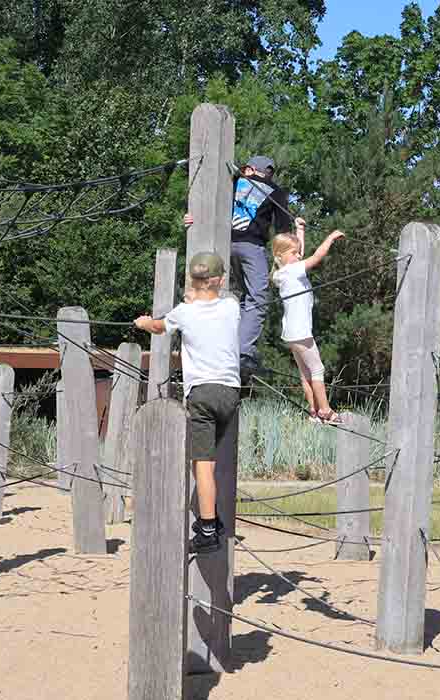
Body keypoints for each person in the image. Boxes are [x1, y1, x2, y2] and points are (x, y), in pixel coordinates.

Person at [134, 252, 240, 553]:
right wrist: (197, 294)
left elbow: (158, 327)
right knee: (212, 459)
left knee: (202, 463)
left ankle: (208, 529)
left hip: (202, 394)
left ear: (192, 281)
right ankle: (215, 517)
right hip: (230, 393)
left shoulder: (183, 312)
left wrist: (143, 323)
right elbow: (216, 297)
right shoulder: (231, 307)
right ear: (219, 280)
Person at [181, 155, 293, 379]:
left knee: (240, 298)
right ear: (268, 173)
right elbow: (282, 229)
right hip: (252, 247)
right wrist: (291, 246)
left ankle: (230, 344)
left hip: (224, 244)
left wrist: (191, 218)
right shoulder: (276, 191)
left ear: (250, 169)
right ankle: (242, 351)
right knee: (258, 299)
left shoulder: (231, 181)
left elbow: (207, 201)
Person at [269, 222, 345, 423]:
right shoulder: (293, 271)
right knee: (317, 370)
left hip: (291, 333)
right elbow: (317, 257)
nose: (298, 255)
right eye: (293, 253)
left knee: (305, 373)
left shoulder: (280, 274)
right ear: (280, 256)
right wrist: (330, 237)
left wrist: (299, 230)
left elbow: (299, 253)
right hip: (301, 332)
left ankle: (313, 410)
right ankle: (326, 411)